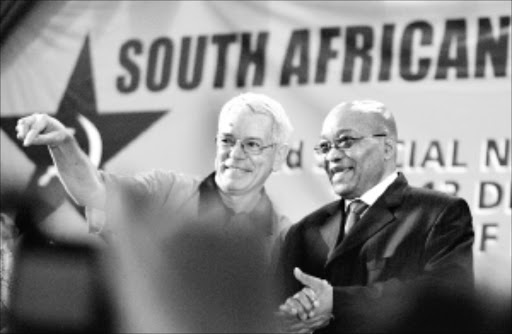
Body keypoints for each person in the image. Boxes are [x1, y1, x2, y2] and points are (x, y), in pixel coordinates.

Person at [15, 92, 294, 332]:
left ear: (279, 156)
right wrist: (63, 144)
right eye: (227, 140)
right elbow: (95, 192)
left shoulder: (290, 235)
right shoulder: (165, 190)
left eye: (252, 144)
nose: (235, 153)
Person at [275, 100, 474, 333]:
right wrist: (292, 317)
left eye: (345, 141)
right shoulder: (305, 231)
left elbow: (447, 300)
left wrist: (336, 302)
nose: (332, 156)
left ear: (387, 148)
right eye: (325, 146)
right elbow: (271, 312)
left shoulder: (438, 214)